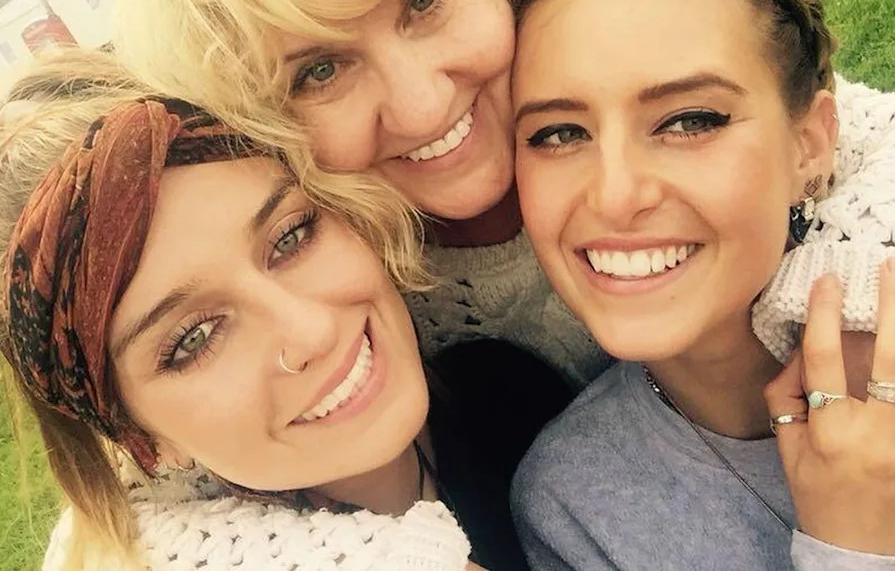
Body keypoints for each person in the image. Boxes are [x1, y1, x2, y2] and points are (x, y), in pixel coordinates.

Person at [101, 0, 895, 393]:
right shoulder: (323, 279)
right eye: (318, 70)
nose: (423, 102)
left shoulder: (606, 38)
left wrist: (849, 306)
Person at [508, 0, 895, 570]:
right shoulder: (572, 500)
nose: (613, 195)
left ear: (809, 144)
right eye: (558, 132)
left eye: (689, 120)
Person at [0, 53, 547, 571]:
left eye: (290, 238)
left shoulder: (503, 392)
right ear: (136, 438)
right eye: (194, 338)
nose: (310, 331)